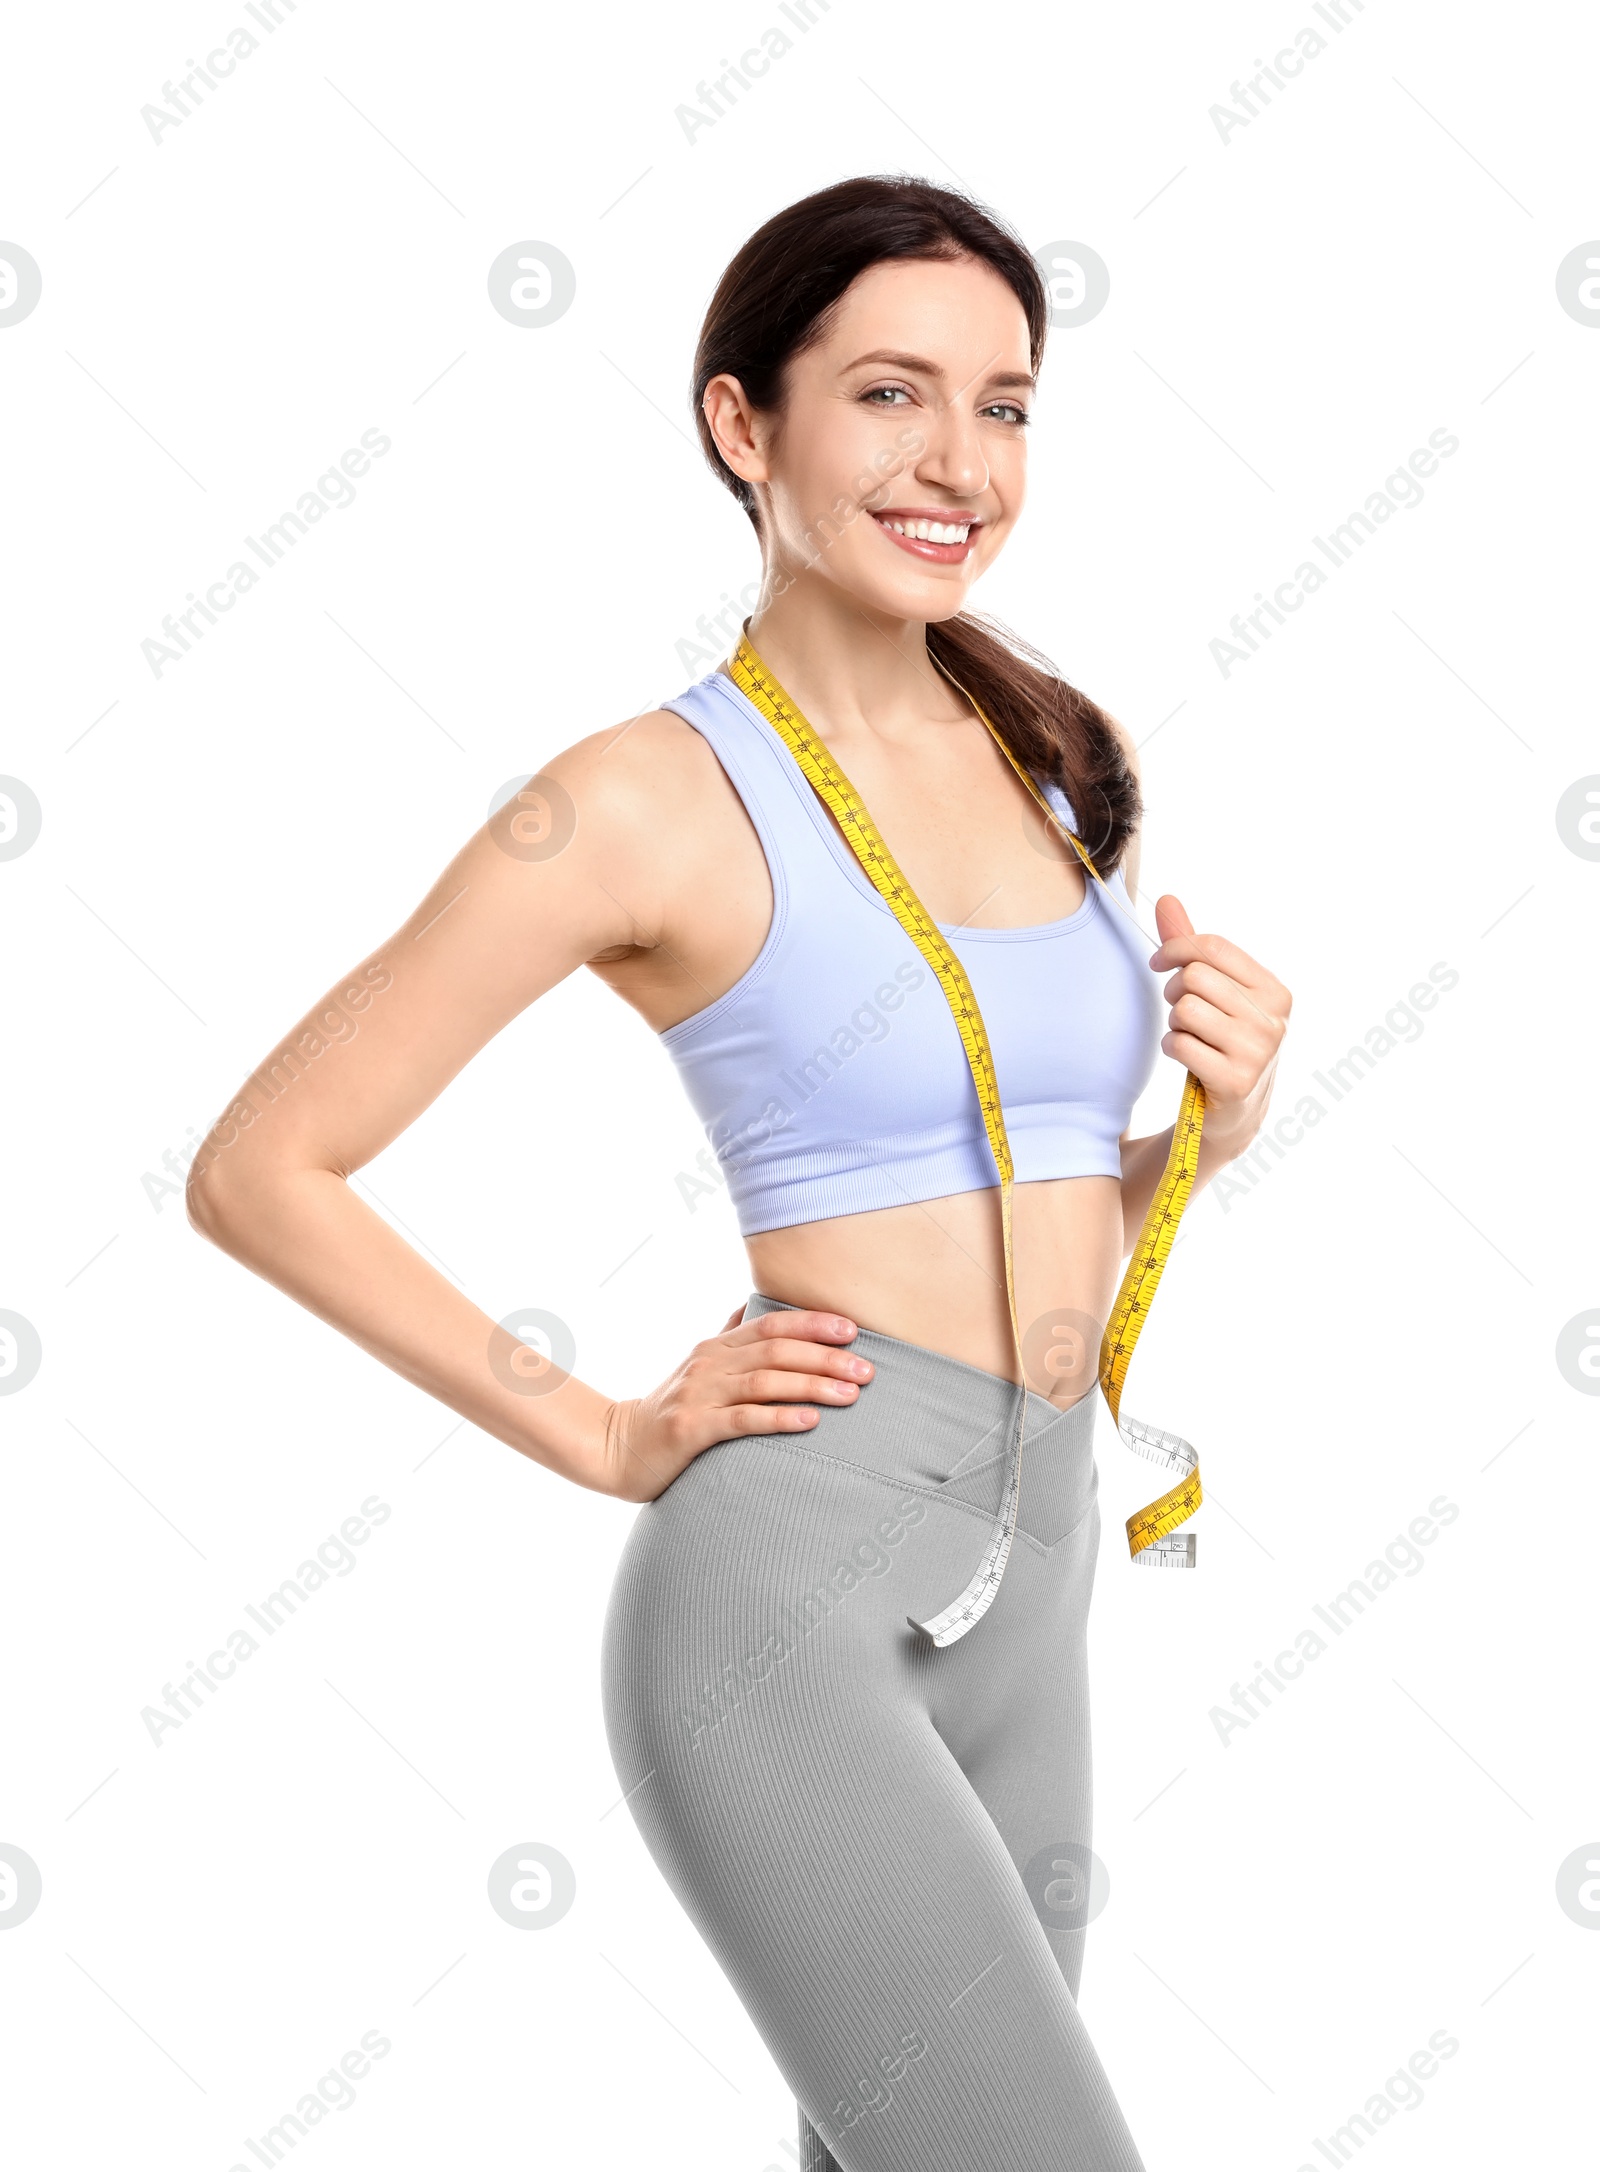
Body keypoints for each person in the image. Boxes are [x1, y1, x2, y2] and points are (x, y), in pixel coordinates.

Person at [187, 175, 1290, 2172]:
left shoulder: (1060, 758)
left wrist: (1212, 1125)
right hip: (790, 1596)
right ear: (739, 424)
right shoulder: (633, 800)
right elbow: (266, 1166)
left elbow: (1050, 1213)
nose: (957, 461)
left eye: (1005, 404)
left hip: (1040, 1577)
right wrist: (606, 1434)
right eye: (886, 394)